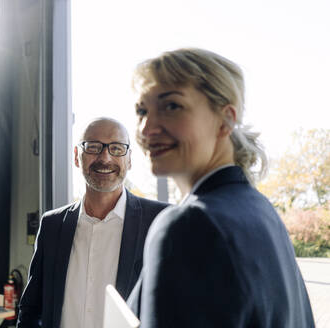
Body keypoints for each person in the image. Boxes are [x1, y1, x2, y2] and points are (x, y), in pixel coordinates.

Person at [127, 48, 315, 327]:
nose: (147, 128)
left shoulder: (189, 224)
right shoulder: (260, 209)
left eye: (171, 106)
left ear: (225, 120)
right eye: (142, 110)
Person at [16, 117, 169, 328]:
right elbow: (31, 309)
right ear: (77, 157)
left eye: (116, 148)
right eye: (93, 147)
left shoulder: (160, 221)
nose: (105, 157)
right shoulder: (52, 225)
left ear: (129, 160)